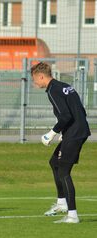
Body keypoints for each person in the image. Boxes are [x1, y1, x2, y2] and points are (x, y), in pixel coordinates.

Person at [31, 62, 91, 224]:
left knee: (64, 171)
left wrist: (51, 134)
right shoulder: (64, 86)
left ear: (41, 76)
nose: (34, 83)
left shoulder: (53, 90)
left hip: (76, 133)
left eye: (34, 79)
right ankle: (61, 203)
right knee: (54, 162)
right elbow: (79, 110)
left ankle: (72, 215)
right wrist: (65, 133)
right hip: (76, 131)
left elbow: (65, 116)